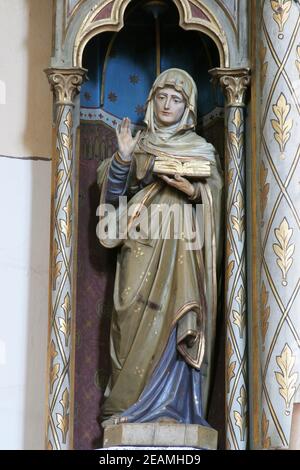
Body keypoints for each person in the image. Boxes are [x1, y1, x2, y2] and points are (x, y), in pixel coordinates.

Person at [96, 68, 223, 427]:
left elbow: (221, 201)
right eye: (162, 97)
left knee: (180, 319)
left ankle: (174, 410)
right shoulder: (138, 144)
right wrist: (123, 159)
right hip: (140, 246)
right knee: (131, 322)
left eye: (176, 99)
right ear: (152, 101)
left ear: (189, 107)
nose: (168, 105)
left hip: (184, 251)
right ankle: (127, 407)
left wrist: (193, 190)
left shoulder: (201, 150)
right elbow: (110, 200)